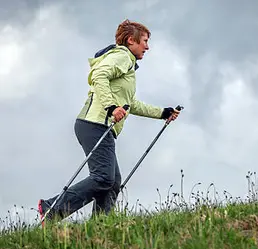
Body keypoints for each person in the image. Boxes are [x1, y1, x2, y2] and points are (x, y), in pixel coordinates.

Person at [38, 19, 180, 225]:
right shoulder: (122, 56)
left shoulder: (128, 65)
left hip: (98, 126)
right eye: (145, 41)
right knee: (103, 178)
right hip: (95, 124)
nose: (147, 47)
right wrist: (111, 107)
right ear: (131, 40)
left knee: (112, 183)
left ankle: (99, 227)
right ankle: (52, 208)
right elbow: (99, 75)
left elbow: (130, 104)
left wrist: (162, 113)